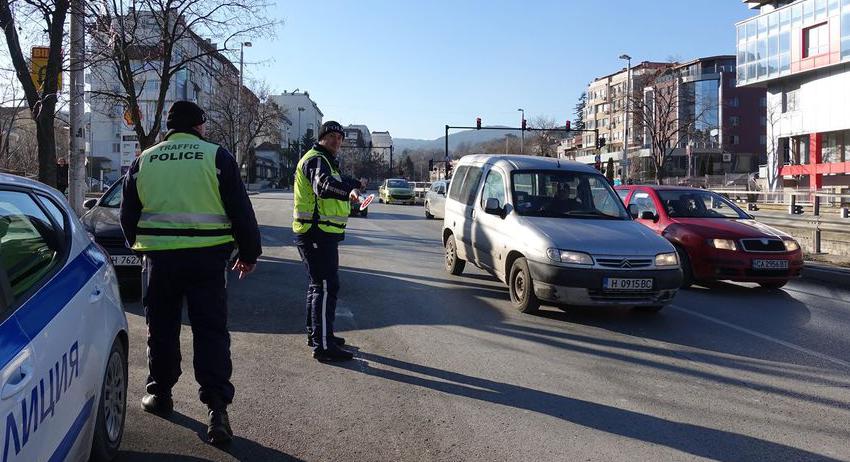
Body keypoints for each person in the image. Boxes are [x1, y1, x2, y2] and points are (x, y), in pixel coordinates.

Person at [120, 100, 261, 446]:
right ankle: (217, 411)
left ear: (169, 127)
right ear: (199, 126)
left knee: (162, 328)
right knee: (210, 330)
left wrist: (140, 248)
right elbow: (241, 209)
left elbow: (127, 216)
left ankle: (161, 394)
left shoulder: (145, 159)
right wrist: (249, 252)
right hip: (207, 262)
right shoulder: (216, 156)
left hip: (160, 262)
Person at [292, 121, 364, 362]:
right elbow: (323, 185)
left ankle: (320, 335)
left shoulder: (325, 160)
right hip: (316, 233)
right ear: (322, 138)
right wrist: (347, 191)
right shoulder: (316, 159)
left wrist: (352, 184)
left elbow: (338, 179)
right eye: (332, 136)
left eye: (340, 138)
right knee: (325, 286)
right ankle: (323, 345)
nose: (336, 141)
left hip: (319, 233)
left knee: (318, 286)